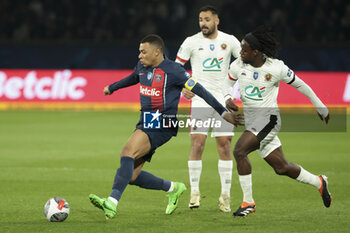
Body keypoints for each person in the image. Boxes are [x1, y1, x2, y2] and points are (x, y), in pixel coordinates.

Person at [88, 34, 242, 219]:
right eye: (139, 52)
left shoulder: (174, 71)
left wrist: (223, 112)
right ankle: (173, 188)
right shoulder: (142, 67)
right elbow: (133, 78)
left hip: (163, 122)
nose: (140, 56)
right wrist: (113, 87)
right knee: (132, 176)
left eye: (143, 52)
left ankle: (111, 203)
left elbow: (201, 90)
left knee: (127, 152)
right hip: (146, 119)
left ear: (157, 52)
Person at [224, 25, 332, 217]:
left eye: (244, 50)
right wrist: (227, 98)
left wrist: (320, 106)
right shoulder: (238, 65)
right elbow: (227, 83)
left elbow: (302, 85)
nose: (240, 53)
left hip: (268, 120)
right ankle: (319, 182)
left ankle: (248, 202)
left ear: (256, 52)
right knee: (281, 168)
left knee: (239, 151)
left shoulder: (276, 68)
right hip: (252, 123)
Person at [175, 5, 241, 212]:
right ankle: (194, 193)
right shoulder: (191, 42)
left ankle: (226, 196)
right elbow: (176, 68)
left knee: (224, 145)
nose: (203, 23)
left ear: (216, 21)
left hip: (223, 100)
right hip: (200, 99)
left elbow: (244, 63)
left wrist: (234, 87)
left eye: (207, 19)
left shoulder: (230, 41)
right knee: (197, 144)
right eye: (201, 20)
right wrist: (183, 87)